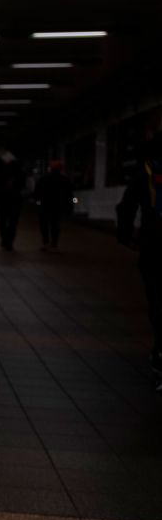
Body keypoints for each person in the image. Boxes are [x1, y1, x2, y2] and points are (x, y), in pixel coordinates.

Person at [117, 130, 162, 392]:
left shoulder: (145, 176)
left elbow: (126, 207)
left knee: (157, 302)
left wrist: (125, 236)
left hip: (153, 247)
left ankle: (159, 358)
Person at [35, 160, 73, 251]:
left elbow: (37, 192)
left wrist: (38, 202)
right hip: (58, 206)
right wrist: (71, 204)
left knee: (44, 224)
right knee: (55, 225)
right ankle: (54, 244)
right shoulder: (65, 180)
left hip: (45, 205)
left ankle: (45, 242)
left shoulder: (43, 179)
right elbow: (70, 194)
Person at [0, 151, 26, 251]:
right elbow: (22, 186)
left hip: (3, 199)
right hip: (15, 200)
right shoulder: (20, 173)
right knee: (13, 222)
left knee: (3, 221)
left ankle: (5, 239)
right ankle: (9, 241)